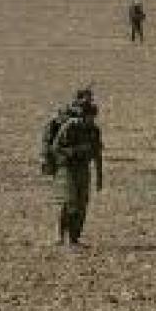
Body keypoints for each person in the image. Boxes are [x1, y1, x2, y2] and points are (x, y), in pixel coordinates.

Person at [51, 102, 103, 248]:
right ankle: (60, 236)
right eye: (88, 116)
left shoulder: (94, 130)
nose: (90, 119)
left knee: (82, 204)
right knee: (69, 203)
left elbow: (97, 153)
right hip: (68, 169)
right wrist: (75, 151)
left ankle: (74, 238)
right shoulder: (69, 127)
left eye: (92, 117)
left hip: (84, 170)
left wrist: (99, 177)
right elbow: (56, 148)